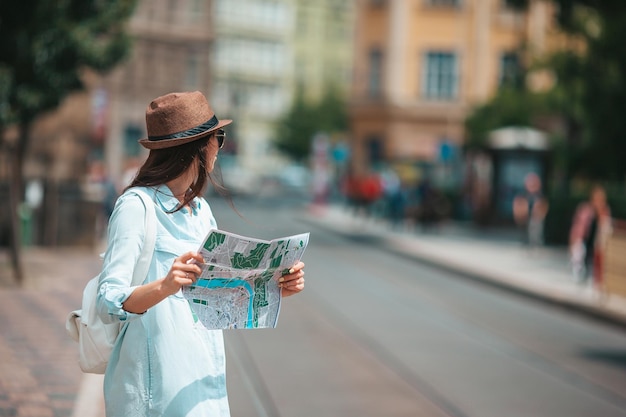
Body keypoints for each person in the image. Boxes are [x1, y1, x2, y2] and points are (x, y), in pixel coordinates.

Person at [95, 91, 306, 417]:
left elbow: (219, 299)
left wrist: (275, 286)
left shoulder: (201, 212)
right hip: (156, 389)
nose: (220, 149)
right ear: (197, 147)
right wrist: (164, 287)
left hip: (203, 380)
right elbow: (108, 300)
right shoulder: (137, 206)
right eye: (218, 138)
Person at [569, 185, 613, 285]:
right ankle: (581, 276)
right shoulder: (585, 210)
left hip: (597, 242)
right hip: (584, 240)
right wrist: (573, 241)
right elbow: (577, 227)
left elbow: (607, 227)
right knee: (581, 259)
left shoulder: (605, 211)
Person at [512, 172, 549, 247]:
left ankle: (535, 243)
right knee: (525, 230)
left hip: (535, 217)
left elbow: (544, 205)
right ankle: (526, 242)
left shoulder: (539, 195)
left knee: (536, 229)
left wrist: (540, 214)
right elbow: (518, 203)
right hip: (525, 216)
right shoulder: (524, 194)